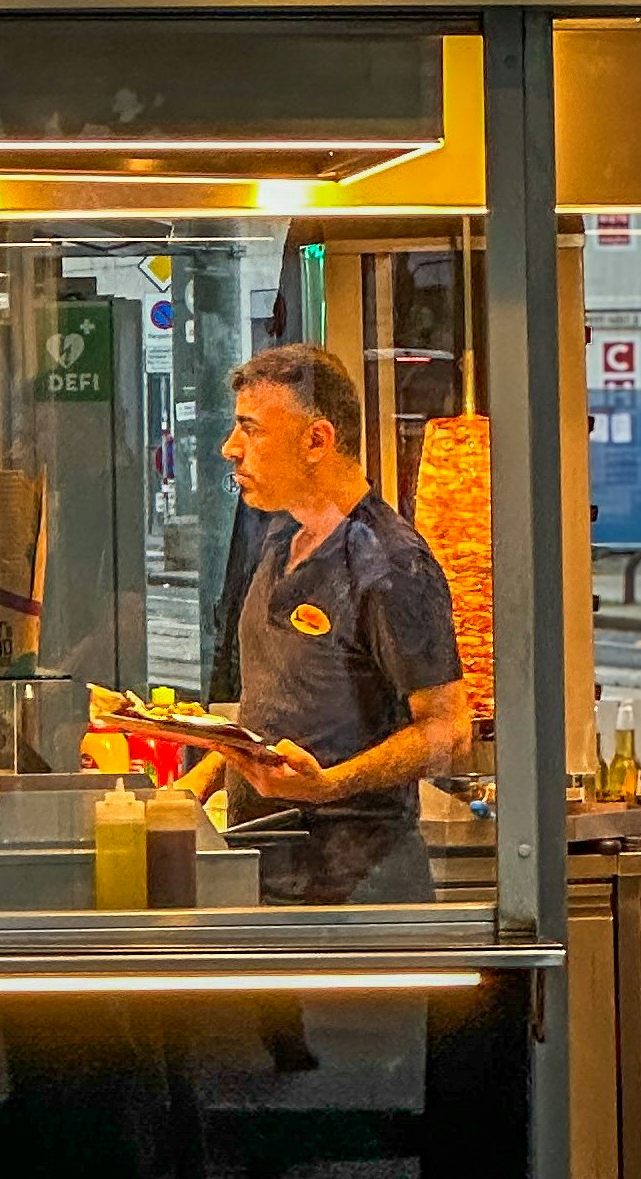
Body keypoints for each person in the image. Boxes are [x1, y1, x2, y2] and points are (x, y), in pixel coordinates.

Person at [192, 342, 469, 905]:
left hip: (359, 890)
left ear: (317, 440)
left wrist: (332, 785)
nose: (230, 448)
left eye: (252, 430)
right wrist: (194, 783)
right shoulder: (276, 538)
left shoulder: (389, 562)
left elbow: (450, 729)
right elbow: (284, 711)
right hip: (271, 873)